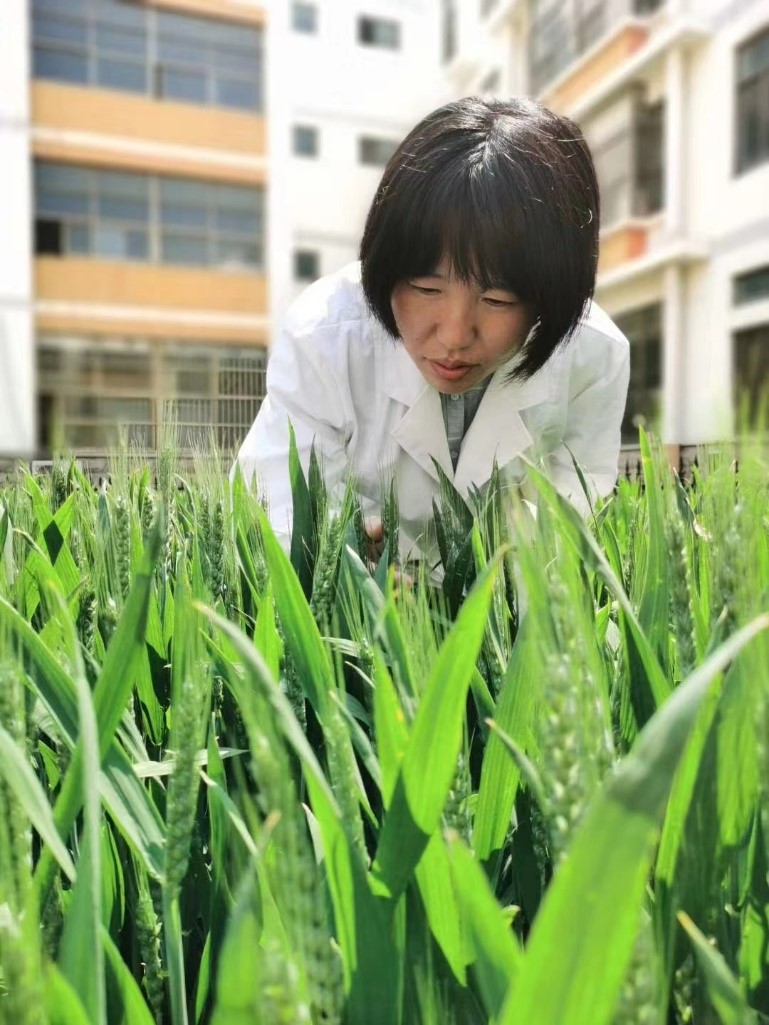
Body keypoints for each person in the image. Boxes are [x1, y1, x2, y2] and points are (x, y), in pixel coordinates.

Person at [234, 96, 630, 567]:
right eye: (426, 288)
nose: (455, 335)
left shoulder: (594, 356)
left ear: (550, 294)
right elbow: (280, 521)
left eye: (497, 300)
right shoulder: (323, 337)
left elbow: (566, 541)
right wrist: (350, 575)